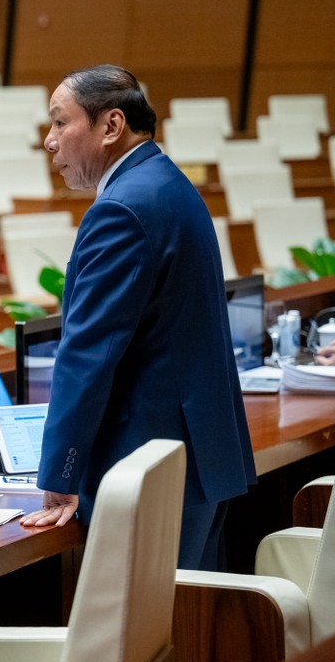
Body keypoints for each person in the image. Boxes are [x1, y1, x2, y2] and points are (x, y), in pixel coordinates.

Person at [19, 65, 256, 571]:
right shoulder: (168, 183)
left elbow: (88, 353)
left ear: (111, 126)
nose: (49, 141)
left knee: (139, 641)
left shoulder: (122, 208)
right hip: (197, 456)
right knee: (185, 629)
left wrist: (59, 477)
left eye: (61, 123)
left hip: (148, 463)